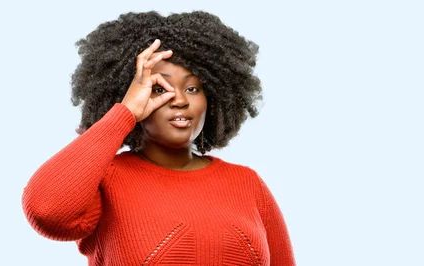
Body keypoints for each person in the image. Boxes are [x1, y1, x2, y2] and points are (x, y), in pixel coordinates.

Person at [21, 10, 295, 266]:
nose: (179, 100)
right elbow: (46, 211)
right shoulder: (105, 180)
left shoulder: (247, 184)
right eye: (158, 88)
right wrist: (126, 113)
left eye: (192, 88)